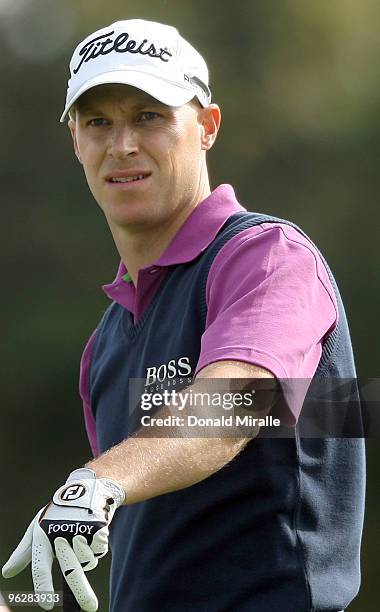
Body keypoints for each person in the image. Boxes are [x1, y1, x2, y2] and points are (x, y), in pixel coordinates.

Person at [2, 18, 365, 612]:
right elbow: (141, 550)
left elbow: (240, 402)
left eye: (150, 117)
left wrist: (99, 480)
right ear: (75, 142)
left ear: (207, 127)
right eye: (99, 122)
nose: (122, 145)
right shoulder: (106, 344)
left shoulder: (267, 257)